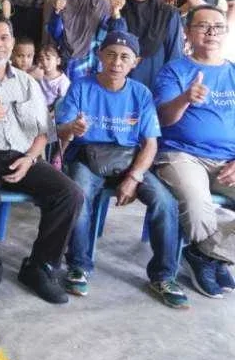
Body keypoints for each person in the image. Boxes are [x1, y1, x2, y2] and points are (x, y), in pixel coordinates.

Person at [0, 15, 83, 303]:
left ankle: (39, 267)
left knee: (70, 193)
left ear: (12, 41)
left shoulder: (28, 83)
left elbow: (44, 131)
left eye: (4, 37)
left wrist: (31, 158)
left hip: (21, 156)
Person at [56, 31, 187, 308]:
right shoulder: (81, 87)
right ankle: (78, 266)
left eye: (125, 57)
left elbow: (150, 144)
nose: (117, 62)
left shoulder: (141, 93)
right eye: (111, 54)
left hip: (128, 159)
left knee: (165, 201)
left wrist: (135, 177)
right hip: (87, 157)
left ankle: (163, 276)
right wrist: (73, 128)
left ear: (135, 62)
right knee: (78, 193)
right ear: (100, 56)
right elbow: (61, 130)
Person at [153, 5, 235, 299]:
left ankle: (206, 256)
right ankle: (214, 256)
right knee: (196, 205)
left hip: (228, 160)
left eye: (217, 26)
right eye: (203, 26)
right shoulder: (175, 70)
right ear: (187, 33)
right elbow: (163, 119)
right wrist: (186, 98)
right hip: (182, 155)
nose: (211, 31)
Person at [47, 0, 125, 81]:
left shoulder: (99, 3)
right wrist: (57, 11)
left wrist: (115, 12)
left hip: (91, 59)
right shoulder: (61, 1)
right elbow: (55, 33)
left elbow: (114, 33)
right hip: (66, 57)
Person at [119, 0, 185, 89]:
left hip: (158, 78)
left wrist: (172, 82)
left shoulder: (168, 13)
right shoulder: (121, 14)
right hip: (127, 78)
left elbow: (175, 51)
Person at [37, 43, 70, 110]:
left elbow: (62, 103)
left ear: (58, 61)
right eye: (41, 59)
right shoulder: (38, 75)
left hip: (53, 113)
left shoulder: (63, 81)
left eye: (48, 59)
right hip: (37, 109)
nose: (44, 62)